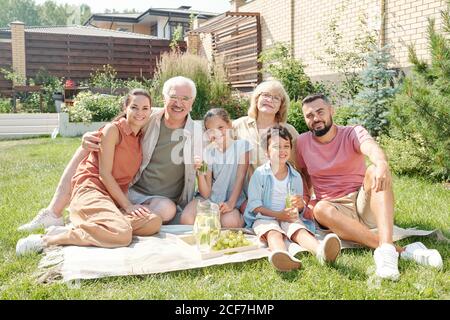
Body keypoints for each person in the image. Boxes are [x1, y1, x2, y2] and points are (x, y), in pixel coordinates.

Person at [17, 76, 201, 232]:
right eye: (174, 97)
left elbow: (224, 138)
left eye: (185, 98)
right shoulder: (147, 115)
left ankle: (100, 221)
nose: (179, 103)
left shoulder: (199, 133)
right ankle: (52, 213)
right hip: (132, 190)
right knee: (86, 149)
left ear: (193, 102)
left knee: (167, 211)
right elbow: (115, 128)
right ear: (164, 98)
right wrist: (87, 138)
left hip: (161, 201)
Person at [296, 93, 443, 280]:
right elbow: (302, 173)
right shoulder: (301, 142)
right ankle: (399, 250)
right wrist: (306, 199)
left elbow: (372, 148)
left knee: (374, 170)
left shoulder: (352, 132)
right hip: (334, 208)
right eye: (309, 115)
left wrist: (382, 163)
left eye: (320, 112)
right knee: (320, 208)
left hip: (362, 201)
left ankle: (387, 249)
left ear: (331, 110)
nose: (315, 118)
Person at [16, 89, 162, 255]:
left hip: (111, 199)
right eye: (134, 107)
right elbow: (104, 174)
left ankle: (98, 227)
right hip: (91, 190)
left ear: (151, 111)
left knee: (153, 221)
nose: (140, 113)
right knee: (122, 235)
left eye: (145, 108)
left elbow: (167, 110)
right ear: (125, 107)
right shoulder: (113, 130)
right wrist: (128, 206)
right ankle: (48, 239)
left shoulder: (139, 137)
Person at [244, 125, 341, 272]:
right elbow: (255, 205)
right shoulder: (260, 174)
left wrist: (300, 205)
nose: (282, 151)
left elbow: (299, 203)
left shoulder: (295, 176)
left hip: (288, 216)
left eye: (286, 146)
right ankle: (282, 255)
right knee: (273, 233)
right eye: (277, 146)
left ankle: (321, 252)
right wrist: (278, 215)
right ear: (266, 152)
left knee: (299, 230)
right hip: (264, 216)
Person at [180, 108, 251, 228]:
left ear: (229, 125)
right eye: (211, 130)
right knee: (186, 219)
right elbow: (206, 193)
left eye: (220, 127)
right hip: (210, 199)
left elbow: (240, 176)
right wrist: (200, 172)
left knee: (230, 223)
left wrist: (231, 203)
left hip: (231, 199)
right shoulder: (207, 152)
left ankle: (215, 221)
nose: (216, 133)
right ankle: (211, 221)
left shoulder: (242, 146)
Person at [233, 80, 300, 178]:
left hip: (279, 191)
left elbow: (299, 166)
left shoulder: (289, 131)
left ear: (281, 106)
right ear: (257, 99)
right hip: (245, 192)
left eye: (276, 98)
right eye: (265, 95)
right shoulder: (238, 125)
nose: (269, 100)